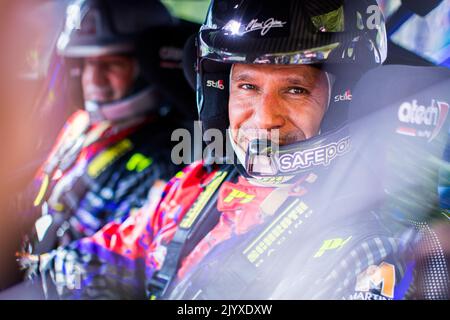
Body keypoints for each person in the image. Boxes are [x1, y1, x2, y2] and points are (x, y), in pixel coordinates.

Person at [18, 0, 449, 300]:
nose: (264, 118)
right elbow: (104, 258)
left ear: (344, 99)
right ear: (219, 92)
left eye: (295, 89)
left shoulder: (373, 239)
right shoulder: (200, 186)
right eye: (247, 86)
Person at [18, 0, 196, 264]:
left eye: (112, 64)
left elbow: (113, 263)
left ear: (146, 70)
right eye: (87, 64)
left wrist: (29, 270)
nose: (94, 79)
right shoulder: (82, 125)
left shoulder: (162, 159)